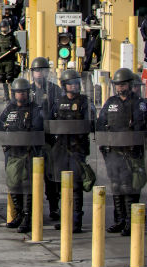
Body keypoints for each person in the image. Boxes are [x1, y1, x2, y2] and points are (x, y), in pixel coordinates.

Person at [96, 68, 146, 236]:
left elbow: (141, 127)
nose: (120, 88)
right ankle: (119, 220)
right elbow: (101, 123)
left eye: (123, 85)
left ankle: (131, 222)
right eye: (117, 85)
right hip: (114, 153)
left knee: (130, 187)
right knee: (116, 186)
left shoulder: (139, 103)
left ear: (130, 84)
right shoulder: (110, 103)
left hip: (131, 153)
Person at [46, 69, 93, 233]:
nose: (74, 86)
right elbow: (51, 122)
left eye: (76, 83)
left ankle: (76, 220)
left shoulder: (84, 102)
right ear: (64, 85)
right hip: (60, 149)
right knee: (62, 186)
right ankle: (65, 219)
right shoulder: (58, 102)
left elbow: (90, 121)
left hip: (77, 148)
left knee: (76, 187)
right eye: (70, 84)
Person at [0, 78, 44, 233]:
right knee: (13, 183)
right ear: (14, 94)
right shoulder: (8, 109)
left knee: (28, 186)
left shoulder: (35, 109)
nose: (21, 95)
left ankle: (27, 216)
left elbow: (37, 127)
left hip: (29, 153)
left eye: (24, 92)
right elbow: (0, 127)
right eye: (18, 93)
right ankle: (17, 214)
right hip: (13, 153)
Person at [0, 21, 21, 98]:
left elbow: (18, 47)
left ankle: (12, 95)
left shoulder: (12, 37)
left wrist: (14, 50)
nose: (4, 29)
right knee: (2, 78)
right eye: (2, 27)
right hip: (0, 61)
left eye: (5, 27)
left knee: (10, 78)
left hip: (9, 60)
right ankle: (6, 96)